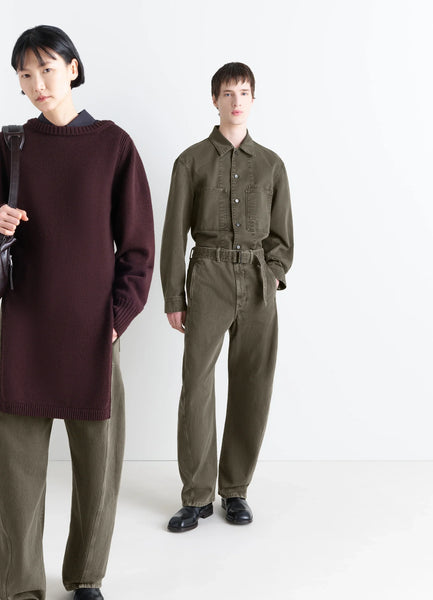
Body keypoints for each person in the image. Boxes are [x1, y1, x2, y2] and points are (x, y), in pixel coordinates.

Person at [0, 25, 154, 600]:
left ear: (73, 67)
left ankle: (86, 576)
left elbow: (138, 247)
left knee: (98, 465)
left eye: (46, 69)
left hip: (93, 332)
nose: (37, 84)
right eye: (25, 74)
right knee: (15, 473)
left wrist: (116, 316)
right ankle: (19, 585)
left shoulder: (113, 145)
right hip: (24, 326)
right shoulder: (10, 145)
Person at [160, 62, 293, 532]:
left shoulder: (272, 164)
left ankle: (235, 490)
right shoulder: (191, 161)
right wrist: (174, 296)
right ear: (214, 100)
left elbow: (282, 237)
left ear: (254, 99)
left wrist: (272, 276)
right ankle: (196, 496)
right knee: (196, 385)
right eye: (227, 93)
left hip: (257, 281)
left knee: (253, 384)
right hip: (208, 276)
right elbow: (174, 233)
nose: (236, 101)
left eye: (244, 93)